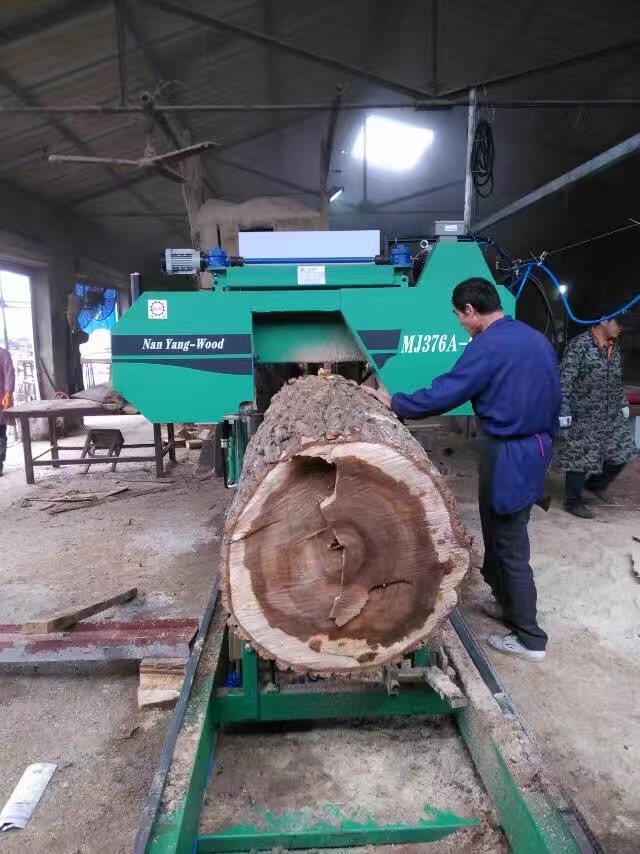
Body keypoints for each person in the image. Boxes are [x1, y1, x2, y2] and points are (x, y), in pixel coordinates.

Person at [364, 277, 561, 662]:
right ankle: (506, 605)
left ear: (471, 310)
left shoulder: (486, 346)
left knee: (510, 544)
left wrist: (396, 403)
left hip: (509, 453)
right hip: (536, 447)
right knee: (499, 532)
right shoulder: (536, 339)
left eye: (458, 315)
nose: (459, 322)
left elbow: (448, 392)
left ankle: (530, 638)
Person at [555, 313, 635, 519]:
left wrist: (623, 403)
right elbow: (564, 382)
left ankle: (595, 485)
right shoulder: (580, 346)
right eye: (618, 323)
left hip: (610, 413)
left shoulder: (613, 347)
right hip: (583, 414)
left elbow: (616, 380)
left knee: (623, 451)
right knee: (579, 457)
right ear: (604, 320)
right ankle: (573, 501)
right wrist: (563, 411)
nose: (621, 328)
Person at [0, 345, 15, 476]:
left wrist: (8, 393)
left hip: (1, 399)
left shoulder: (3, 354)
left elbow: (9, 374)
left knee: (0, 432)